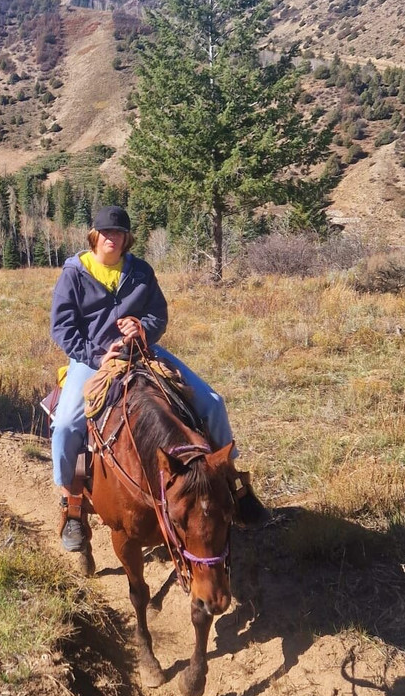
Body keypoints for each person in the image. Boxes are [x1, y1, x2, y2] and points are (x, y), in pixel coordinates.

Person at [48, 205, 269, 552]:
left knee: (211, 402)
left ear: (127, 238)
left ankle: (230, 482)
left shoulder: (140, 271)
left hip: (143, 352)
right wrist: (94, 354)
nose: (112, 238)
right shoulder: (75, 274)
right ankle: (72, 503)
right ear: (94, 236)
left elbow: (158, 314)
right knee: (65, 426)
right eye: (106, 233)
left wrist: (142, 329)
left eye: (118, 233)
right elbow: (62, 328)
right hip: (93, 360)